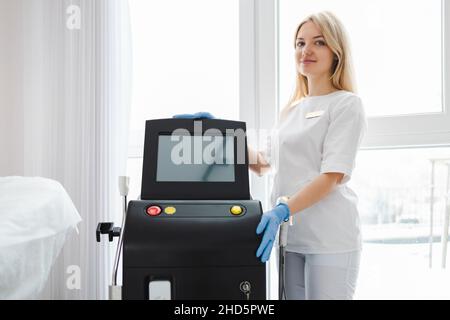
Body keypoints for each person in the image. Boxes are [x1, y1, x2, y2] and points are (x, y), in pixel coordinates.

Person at [174, 11, 367, 300]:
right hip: (292, 238)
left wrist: (282, 210)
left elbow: (331, 176)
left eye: (319, 43)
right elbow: (264, 163)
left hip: (331, 238)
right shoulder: (291, 110)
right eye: (300, 43)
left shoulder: (346, 105)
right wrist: (222, 135)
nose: (306, 50)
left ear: (336, 51)